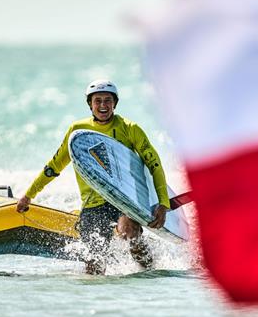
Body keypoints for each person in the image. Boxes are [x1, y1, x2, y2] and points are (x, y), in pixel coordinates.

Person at [16, 79, 169, 274]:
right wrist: (29, 195)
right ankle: (99, 291)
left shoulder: (130, 129)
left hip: (124, 200)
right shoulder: (78, 132)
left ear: (115, 103)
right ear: (90, 104)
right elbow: (54, 166)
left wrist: (163, 203)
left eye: (108, 100)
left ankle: (152, 273)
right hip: (93, 204)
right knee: (94, 262)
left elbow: (154, 165)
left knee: (130, 233)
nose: (103, 105)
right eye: (98, 101)